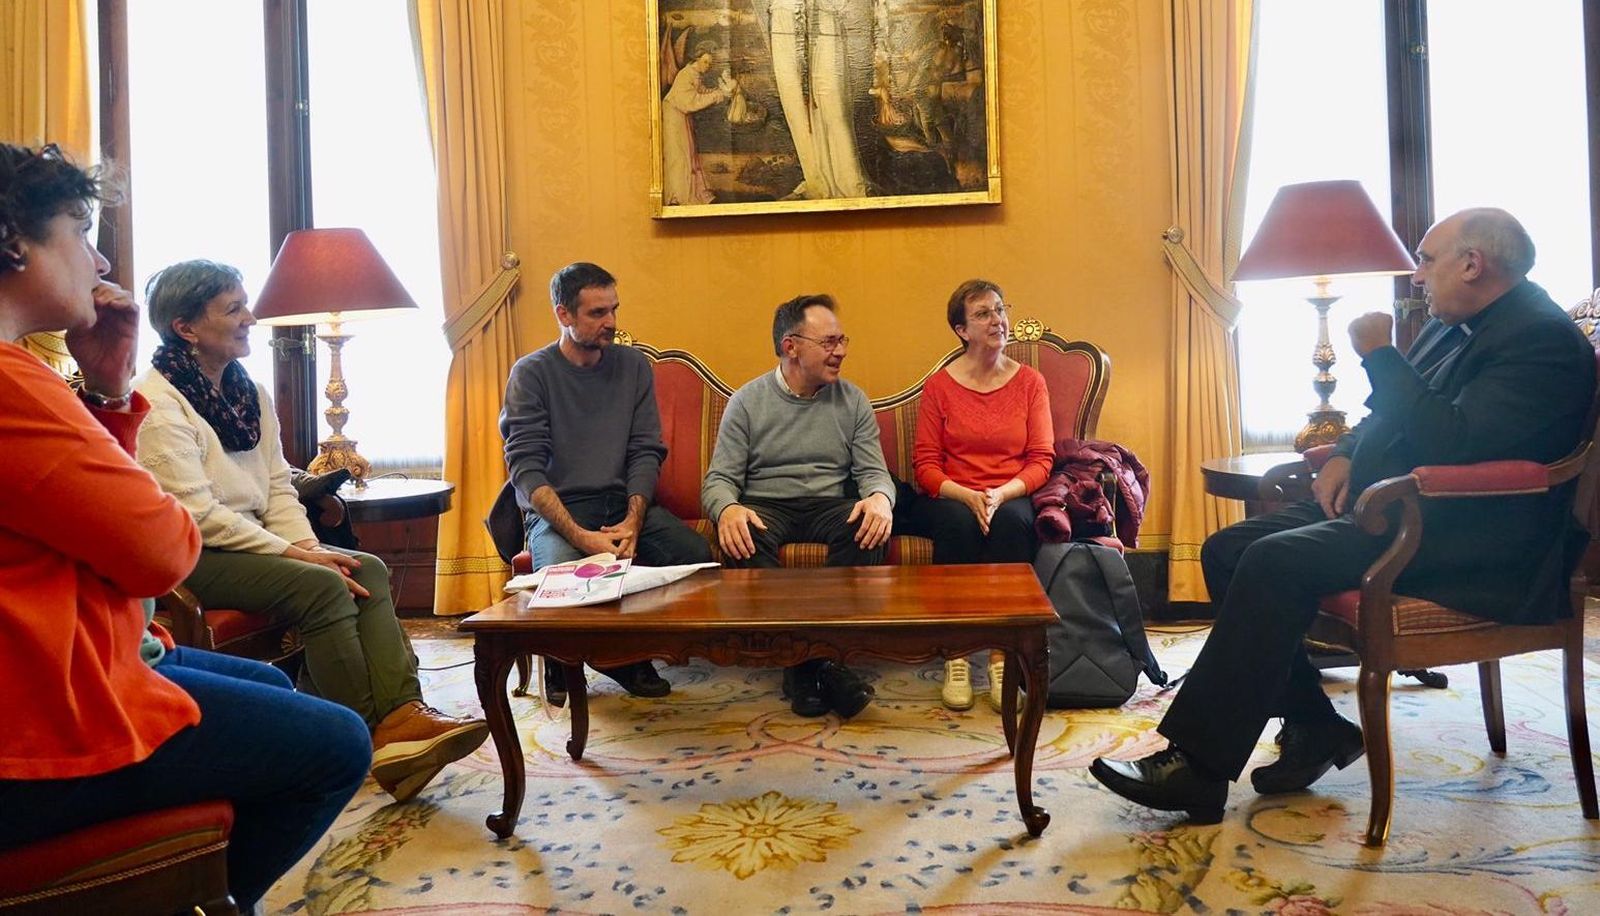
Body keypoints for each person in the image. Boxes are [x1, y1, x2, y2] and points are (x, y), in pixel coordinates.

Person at [1090, 208, 1597, 823]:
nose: (1418, 275)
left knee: (1275, 561)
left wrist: (1381, 354)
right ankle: (1314, 727)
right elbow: (1392, 414)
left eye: (1428, 259)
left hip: (1470, 537)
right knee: (1227, 548)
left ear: (1473, 264)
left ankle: (1196, 766)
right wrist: (1347, 455)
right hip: (1397, 508)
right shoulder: (1454, 322)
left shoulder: (1541, 341)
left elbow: (1456, 442)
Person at [0, 142, 369, 911]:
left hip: (59, 668)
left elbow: (106, 527)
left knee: (268, 680)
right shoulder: (15, 388)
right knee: (336, 747)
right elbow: (163, 551)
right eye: (78, 228)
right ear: (13, 240)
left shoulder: (30, 377)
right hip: (33, 728)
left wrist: (103, 391)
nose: (98, 259)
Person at [133, 258, 487, 804]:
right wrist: (297, 558)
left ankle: (406, 715)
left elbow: (278, 486)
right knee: (321, 585)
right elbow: (197, 515)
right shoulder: (157, 402)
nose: (251, 317)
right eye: (234, 308)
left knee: (362, 566)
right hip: (192, 553)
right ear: (186, 328)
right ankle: (367, 736)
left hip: (251, 541)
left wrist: (305, 546)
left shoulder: (245, 390)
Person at [501, 262, 712, 703]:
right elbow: (526, 466)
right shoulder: (531, 373)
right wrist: (581, 536)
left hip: (620, 505)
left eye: (613, 310)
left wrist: (633, 520)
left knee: (695, 556)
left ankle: (633, 651)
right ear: (564, 315)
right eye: (597, 313)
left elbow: (645, 450)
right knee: (564, 577)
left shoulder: (633, 367)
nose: (611, 323)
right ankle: (569, 662)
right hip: (559, 511)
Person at [702, 293, 895, 718]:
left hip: (830, 503)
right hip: (767, 506)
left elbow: (873, 473)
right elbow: (719, 480)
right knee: (742, 532)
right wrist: (727, 509)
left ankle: (805, 667)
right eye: (828, 342)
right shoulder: (747, 402)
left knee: (867, 527)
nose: (840, 350)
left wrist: (881, 499)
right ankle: (817, 666)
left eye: (843, 340)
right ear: (791, 346)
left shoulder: (853, 400)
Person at [895, 279, 1054, 711]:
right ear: (961, 329)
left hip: (1011, 489)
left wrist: (1000, 495)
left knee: (1012, 522)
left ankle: (1003, 657)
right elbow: (925, 464)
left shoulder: (1030, 383)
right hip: (952, 492)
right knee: (955, 522)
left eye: (1000, 310)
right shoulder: (941, 387)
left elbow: (1042, 459)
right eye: (983, 313)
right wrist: (966, 496)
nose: (997, 320)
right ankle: (958, 654)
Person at [661, 44, 731, 207]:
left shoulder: (695, 74)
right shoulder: (686, 75)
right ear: (696, 60)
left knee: (689, 153)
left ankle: (694, 191)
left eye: (710, 63)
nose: (708, 66)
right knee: (679, 156)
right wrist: (715, 95)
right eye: (705, 62)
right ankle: (679, 195)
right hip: (673, 116)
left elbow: (701, 93)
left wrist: (717, 92)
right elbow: (690, 102)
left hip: (681, 116)